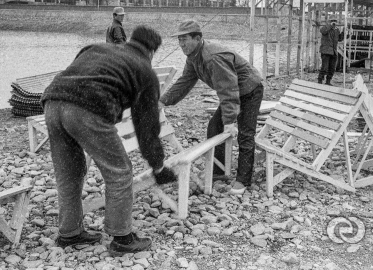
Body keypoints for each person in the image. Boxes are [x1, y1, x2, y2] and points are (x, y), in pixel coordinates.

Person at [41, 25, 177, 255]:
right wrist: (158, 166)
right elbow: (147, 129)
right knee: (120, 171)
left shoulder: (95, 48)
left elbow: (77, 71)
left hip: (52, 102)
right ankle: (122, 239)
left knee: (69, 172)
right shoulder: (145, 71)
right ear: (152, 51)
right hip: (87, 107)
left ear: (131, 40)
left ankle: (69, 233)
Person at [159, 20, 264, 195]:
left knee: (245, 134)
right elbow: (185, 81)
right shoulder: (193, 57)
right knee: (214, 127)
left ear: (198, 38)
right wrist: (163, 101)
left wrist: (230, 121)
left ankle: (243, 180)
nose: (181, 44)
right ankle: (219, 171)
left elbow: (228, 89)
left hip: (250, 89)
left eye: (184, 39)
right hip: (233, 91)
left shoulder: (213, 57)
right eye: (179, 40)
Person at [318, 18, 345, 85]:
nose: (334, 22)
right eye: (332, 21)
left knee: (332, 68)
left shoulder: (336, 30)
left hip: (333, 51)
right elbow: (323, 31)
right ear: (329, 22)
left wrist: (344, 32)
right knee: (324, 67)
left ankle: (328, 81)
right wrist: (330, 26)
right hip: (326, 51)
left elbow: (339, 39)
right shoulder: (325, 28)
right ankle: (320, 80)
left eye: (335, 21)